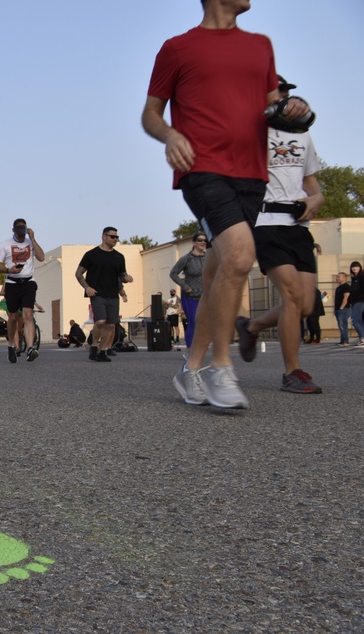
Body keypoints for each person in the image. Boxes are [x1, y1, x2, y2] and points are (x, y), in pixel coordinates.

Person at [142, 0, 311, 408]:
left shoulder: (261, 46)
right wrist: (170, 136)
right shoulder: (178, 48)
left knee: (222, 269)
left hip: (253, 174)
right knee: (239, 255)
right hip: (201, 168)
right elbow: (150, 114)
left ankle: (190, 369)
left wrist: (291, 111)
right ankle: (221, 367)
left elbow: (272, 109)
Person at [233, 75, 325, 394]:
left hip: (298, 226)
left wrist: (315, 200)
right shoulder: (252, 132)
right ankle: (292, 372)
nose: (284, 97)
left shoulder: (304, 137)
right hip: (267, 222)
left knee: (307, 305)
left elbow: (313, 186)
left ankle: (252, 325)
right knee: (291, 297)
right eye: (278, 93)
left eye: (287, 93)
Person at [76, 227, 132, 363]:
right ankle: (94, 346)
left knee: (111, 325)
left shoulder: (119, 257)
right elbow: (78, 273)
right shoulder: (91, 254)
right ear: (104, 237)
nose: (115, 240)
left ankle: (102, 351)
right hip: (97, 293)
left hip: (113, 294)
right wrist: (87, 287)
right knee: (100, 321)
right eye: (112, 237)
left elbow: (122, 275)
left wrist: (127, 278)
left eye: (117, 237)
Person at [0, 218, 45, 363]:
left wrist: (33, 239)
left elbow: (41, 257)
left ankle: (29, 348)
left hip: (28, 282)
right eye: (19, 229)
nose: (21, 232)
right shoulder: (5, 244)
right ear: (13, 230)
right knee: (14, 317)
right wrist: (9, 269)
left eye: (24, 229)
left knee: (28, 315)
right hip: (12, 283)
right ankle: (11, 345)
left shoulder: (30, 242)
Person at [169, 233, 207, 349]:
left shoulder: (209, 258)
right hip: (190, 296)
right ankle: (191, 350)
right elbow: (173, 273)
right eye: (200, 240)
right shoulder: (186, 258)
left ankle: (200, 348)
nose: (202, 242)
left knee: (203, 323)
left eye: (205, 241)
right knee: (193, 322)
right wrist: (185, 286)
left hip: (205, 296)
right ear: (194, 242)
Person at [349, 261, 364, 347]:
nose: (355, 268)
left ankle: (362, 339)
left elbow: (361, 290)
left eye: (357, 266)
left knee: (354, 321)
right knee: (360, 321)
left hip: (360, 301)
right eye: (353, 267)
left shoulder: (361, 277)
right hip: (355, 301)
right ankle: (361, 339)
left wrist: (356, 298)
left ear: (360, 267)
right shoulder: (354, 278)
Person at [333, 272, 351, 346]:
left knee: (343, 324)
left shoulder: (346, 286)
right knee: (341, 325)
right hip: (338, 310)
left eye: (339, 277)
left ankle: (345, 341)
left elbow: (346, 297)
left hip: (344, 309)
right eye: (337, 277)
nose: (337, 278)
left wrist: (341, 307)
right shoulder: (338, 288)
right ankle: (342, 340)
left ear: (344, 278)